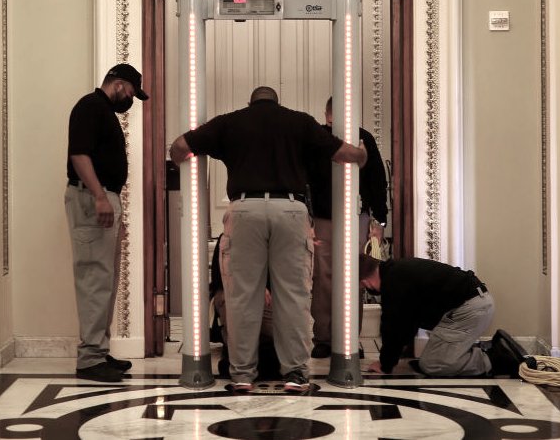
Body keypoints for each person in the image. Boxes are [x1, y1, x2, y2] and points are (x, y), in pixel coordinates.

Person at [170, 86, 367, 392]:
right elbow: (345, 154)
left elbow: (179, 147)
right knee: (294, 296)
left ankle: (243, 376)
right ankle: (296, 375)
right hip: (290, 209)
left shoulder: (230, 122)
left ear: (250, 102)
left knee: (241, 297)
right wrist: (363, 153)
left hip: (244, 210)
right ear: (278, 102)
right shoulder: (298, 122)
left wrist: (188, 157)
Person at [65, 63, 149, 382]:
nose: (130, 99)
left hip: (102, 197)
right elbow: (80, 155)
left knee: (107, 279)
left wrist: (113, 206)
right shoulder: (90, 107)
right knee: (94, 277)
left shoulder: (102, 111)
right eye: (130, 92)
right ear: (117, 84)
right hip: (91, 197)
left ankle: (98, 350)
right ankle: (89, 359)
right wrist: (100, 197)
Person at [308, 96, 388, 359]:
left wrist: (379, 221)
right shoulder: (324, 138)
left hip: (342, 217)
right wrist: (379, 221)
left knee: (342, 278)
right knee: (337, 278)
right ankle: (335, 338)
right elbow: (378, 183)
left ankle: (338, 338)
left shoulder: (357, 138)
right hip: (339, 217)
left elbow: (377, 181)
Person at [358, 254, 526, 377]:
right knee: (430, 359)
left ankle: (497, 357)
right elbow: (405, 325)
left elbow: (394, 327)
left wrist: (385, 364)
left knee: (432, 365)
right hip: (474, 304)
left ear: (365, 282)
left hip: (469, 309)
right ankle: (486, 348)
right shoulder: (396, 272)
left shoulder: (394, 283)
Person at [210, 234, 280, 381]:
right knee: (235, 308)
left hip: (266, 298)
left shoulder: (273, 237)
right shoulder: (227, 239)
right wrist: (254, 288)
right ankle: (240, 352)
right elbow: (219, 278)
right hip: (234, 294)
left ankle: (247, 354)